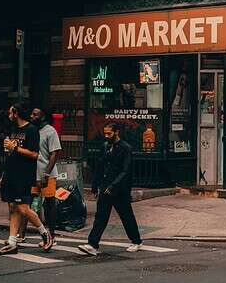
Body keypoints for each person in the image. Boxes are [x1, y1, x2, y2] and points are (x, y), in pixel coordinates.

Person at [0, 103, 53, 254]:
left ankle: (45, 234)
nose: (9, 116)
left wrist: (15, 148)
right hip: (11, 174)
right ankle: (12, 242)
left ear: (16, 113)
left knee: (23, 208)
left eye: (10, 113)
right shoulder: (13, 130)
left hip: (24, 175)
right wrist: (3, 175)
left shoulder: (31, 130)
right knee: (13, 207)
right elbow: (10, 155)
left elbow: (35, 154)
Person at [77, 123, 142, 256]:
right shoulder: (105, 146)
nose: (106, 136)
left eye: (109, 134)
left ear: (117, 132)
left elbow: (126, 170)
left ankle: (136, 241)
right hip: (105, 187)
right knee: (100, 217)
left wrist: (114, 185)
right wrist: (95, 186)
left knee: (126, 216)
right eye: (105, 133)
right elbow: (100, 167)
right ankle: (92, 244)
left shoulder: (125, 148)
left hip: (119, 190)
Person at [30, 107, 62, 242]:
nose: (31, 116)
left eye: (34, 114)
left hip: (47, 174)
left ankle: (52, 235)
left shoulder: (50, 131)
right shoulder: (31, 130)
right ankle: (21, 235)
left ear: (42, 117)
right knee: (27, 203)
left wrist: (46, 173)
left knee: (49, 204)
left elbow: (55, 153)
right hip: (32, 173)